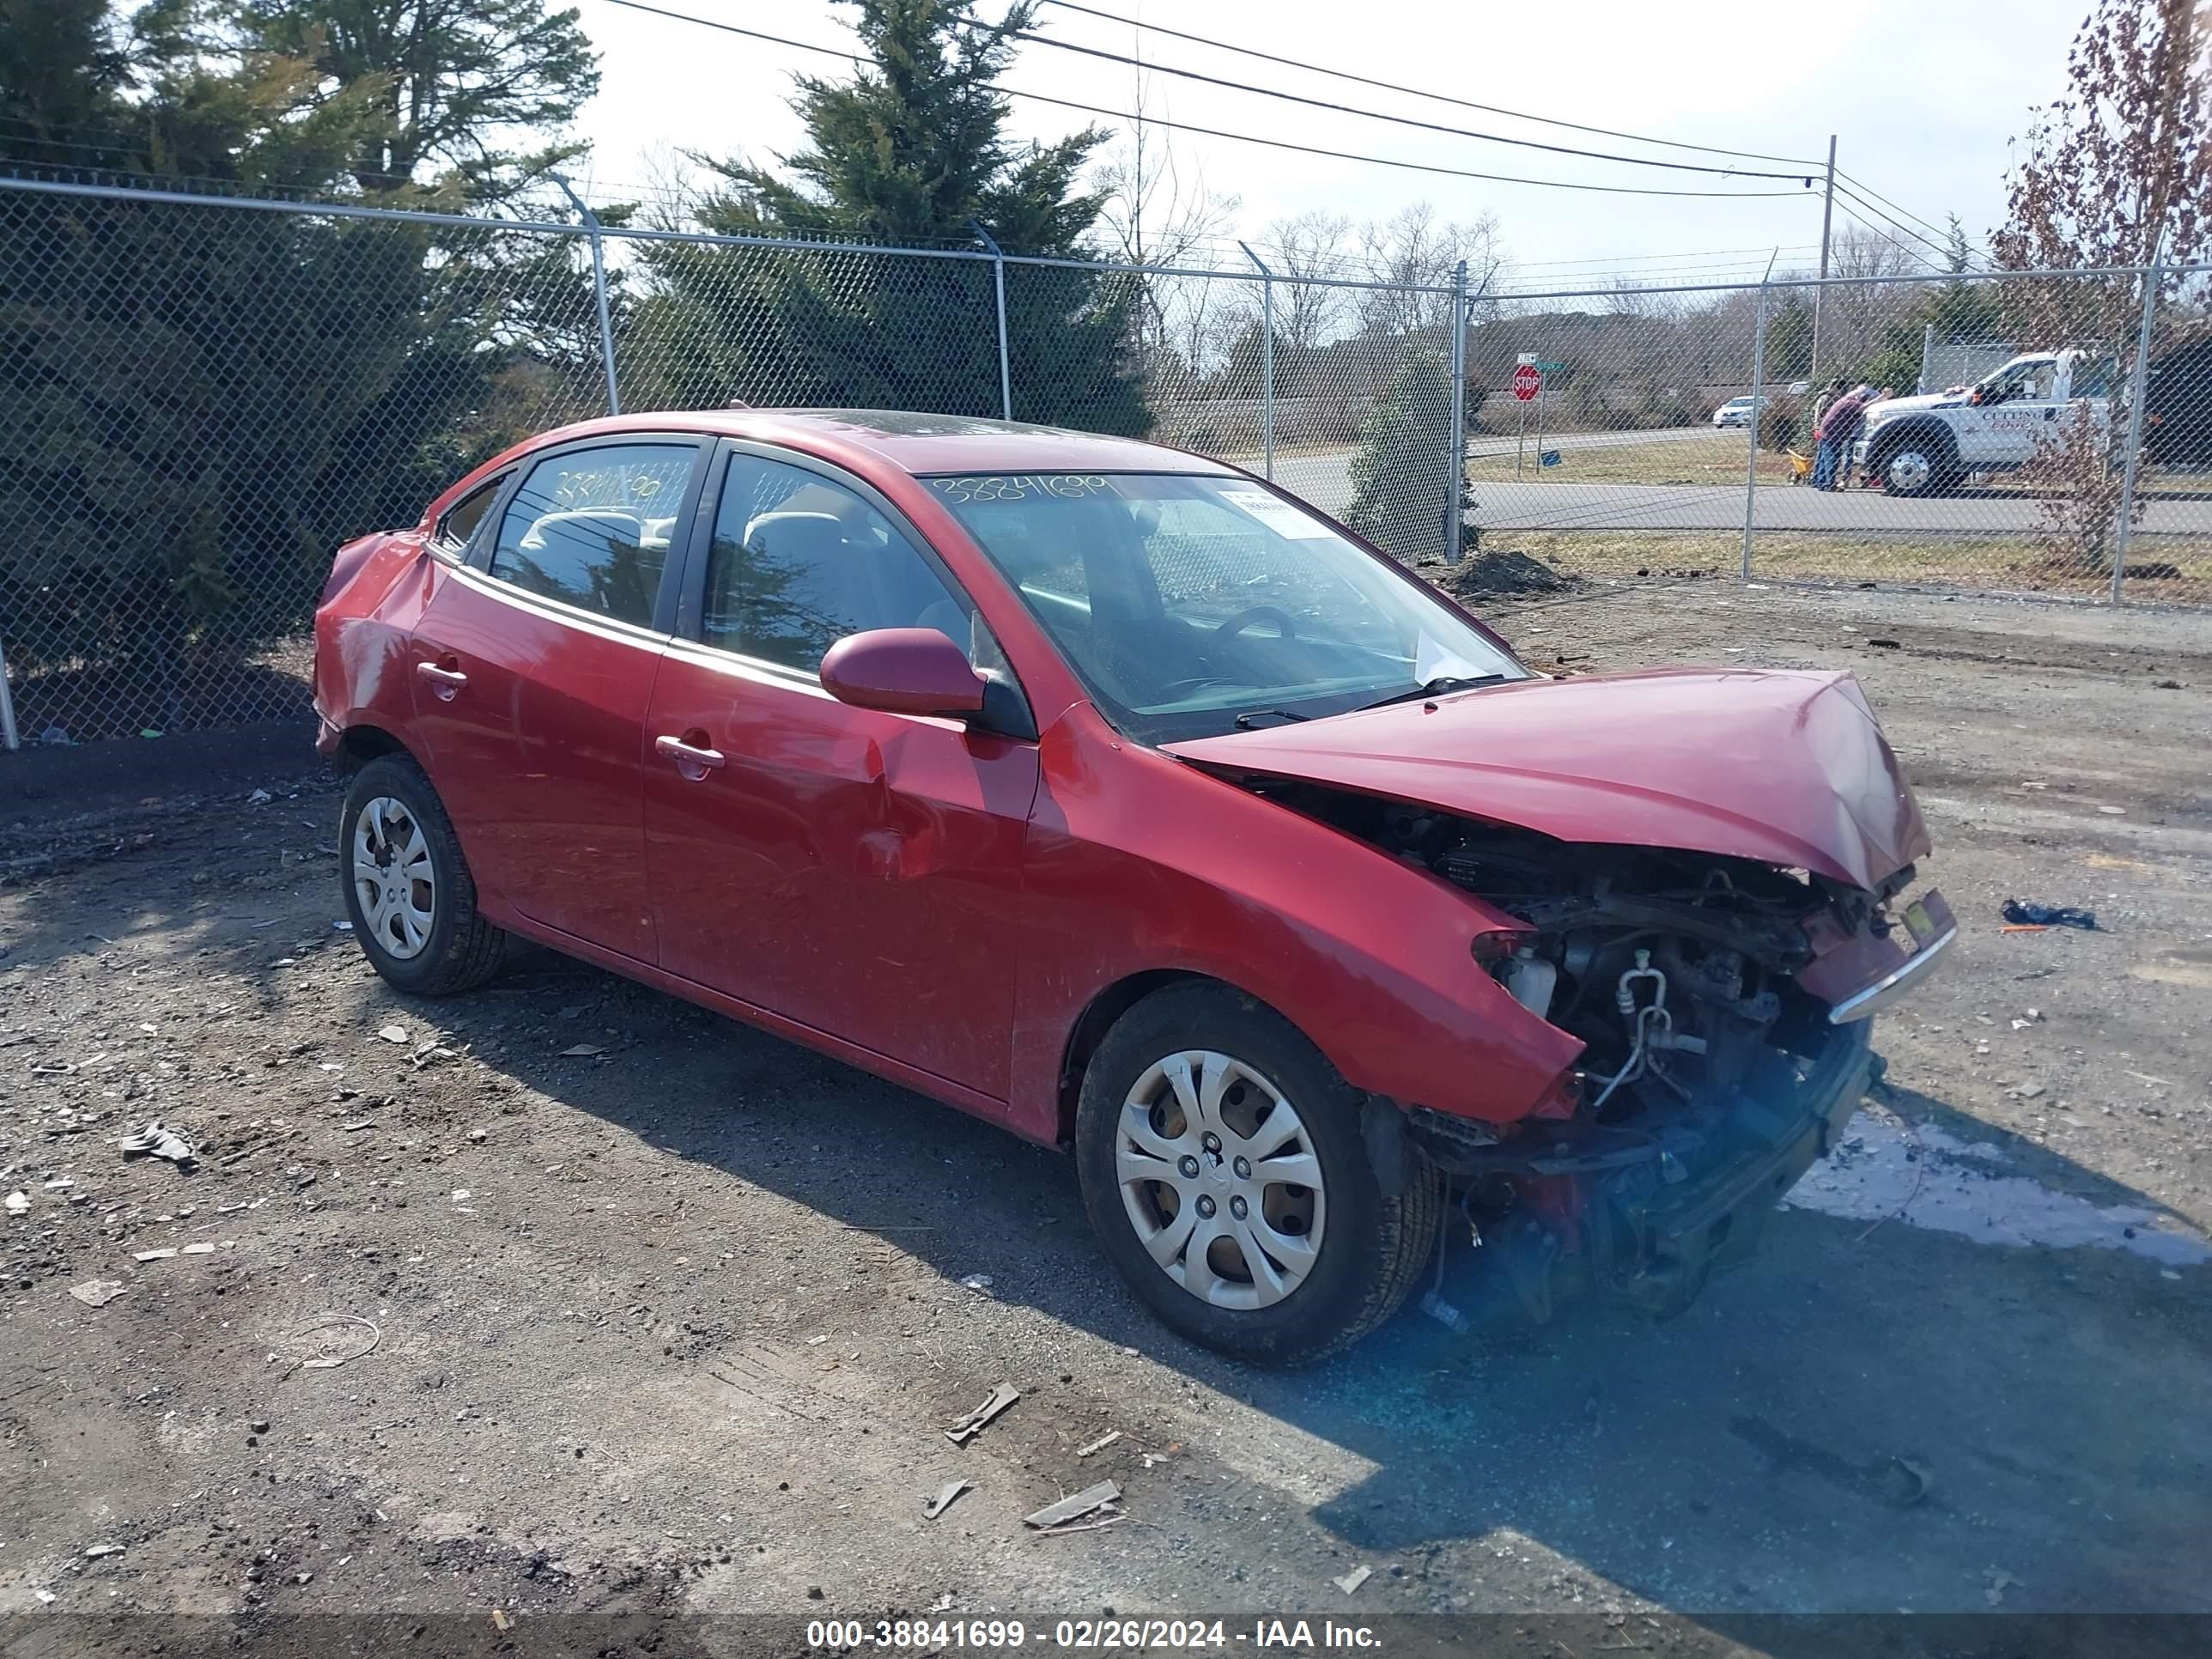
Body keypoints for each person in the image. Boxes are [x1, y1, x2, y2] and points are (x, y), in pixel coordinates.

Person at [1813, 383, 1873, 490]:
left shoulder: (1845, 400)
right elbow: (1864, 407)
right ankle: (1828, 484)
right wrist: (1882, 397)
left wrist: (1860, 390)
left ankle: (1820, 481)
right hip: (1833, 433)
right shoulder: (1852, 403)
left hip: (1828, 431)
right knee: (1831, 458)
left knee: (1824, 457)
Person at [1808, 378, 1848, 489]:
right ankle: (1826, 481)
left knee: (1822, 456)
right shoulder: (1826, 398)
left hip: (1827, 430)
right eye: (1840, 388)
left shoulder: (1834, 398)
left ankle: (1817, 479)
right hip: (1824, 430)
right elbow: (1818, 415)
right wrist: (1817, 428)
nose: (1842, 391)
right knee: (1828, 456)